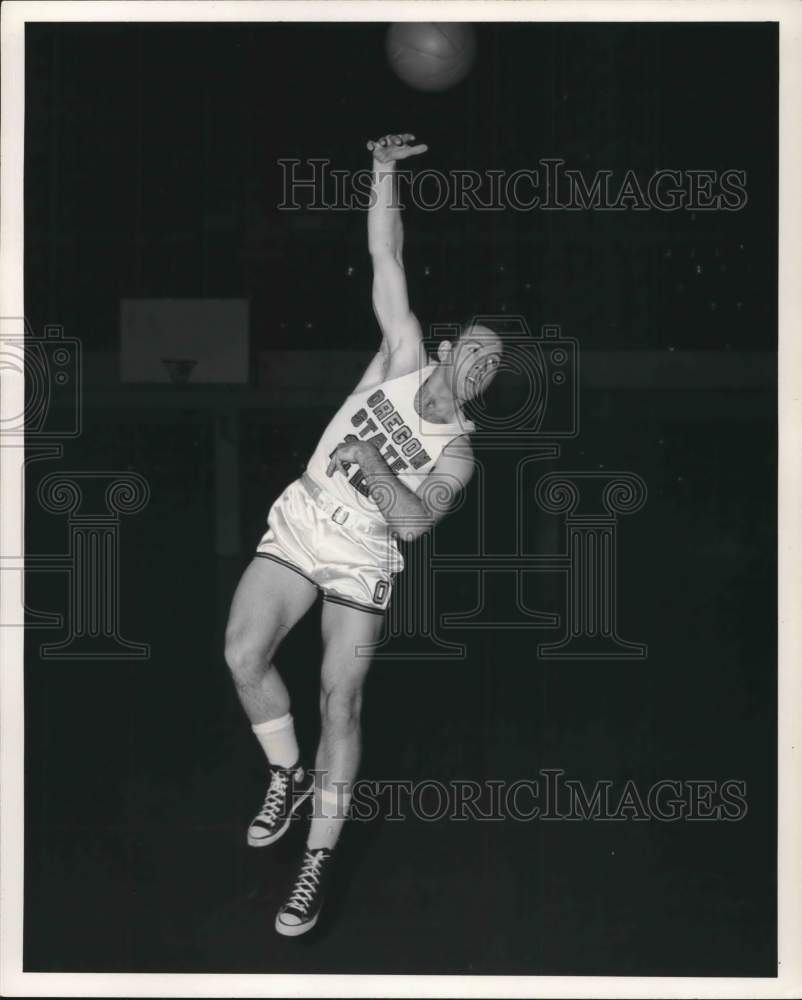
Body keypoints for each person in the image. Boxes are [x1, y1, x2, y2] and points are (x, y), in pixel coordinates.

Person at [224, 133, 503, 937]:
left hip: (364, 556)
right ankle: (285, 775)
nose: (477, 368)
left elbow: (413, 520)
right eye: (474, 352)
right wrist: (381, 173)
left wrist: (374, 468)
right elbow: (386, 252)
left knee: (339, 700)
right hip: (307, 518)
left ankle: (314, 863)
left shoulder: (462, 453)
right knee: (243, 653)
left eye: (492, 368)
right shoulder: (404, 353)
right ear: (449, 350)